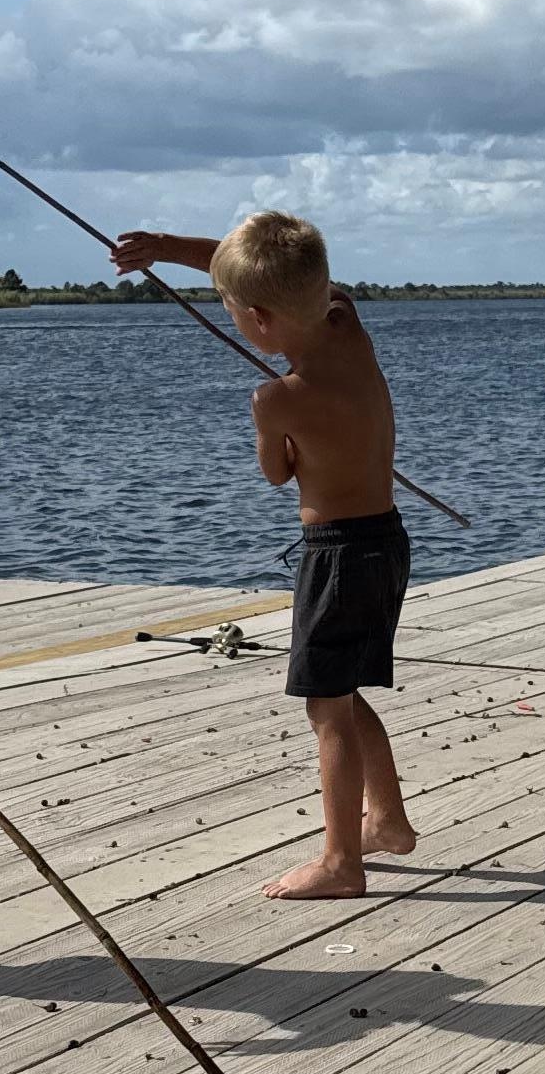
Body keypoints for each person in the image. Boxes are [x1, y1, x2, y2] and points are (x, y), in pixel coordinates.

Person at [110, 206, 417, 900]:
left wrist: (276, 430)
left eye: (230, 308)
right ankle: (386, 820)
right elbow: (274, 277)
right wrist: (167, 248)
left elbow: (277, 473)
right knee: (342, 690)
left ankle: (341, 863)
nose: (228, 314)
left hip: (336, 555)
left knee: (325, 709)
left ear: (257, 320)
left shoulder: (275, 398)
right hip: (387, 541)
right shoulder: (347, 322)